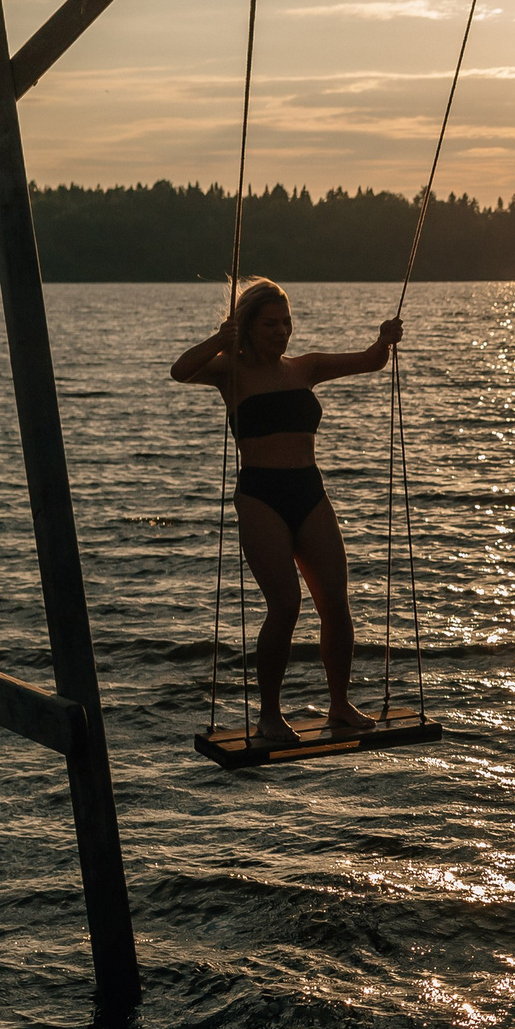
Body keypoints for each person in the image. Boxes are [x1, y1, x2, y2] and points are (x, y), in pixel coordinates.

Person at [171, 278, 401, 746]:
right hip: (260, 495)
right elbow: (180, 370)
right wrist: (222, 338)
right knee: (286, 606)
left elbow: (370, 361)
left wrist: (383, 339)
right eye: (270, 324)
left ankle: (339, 703)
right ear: (249, 327)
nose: (281, 332)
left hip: (309, 491)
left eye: (286, 323)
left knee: (335, 603)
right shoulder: (229, 373)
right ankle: (270, 715)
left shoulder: (305, 368)